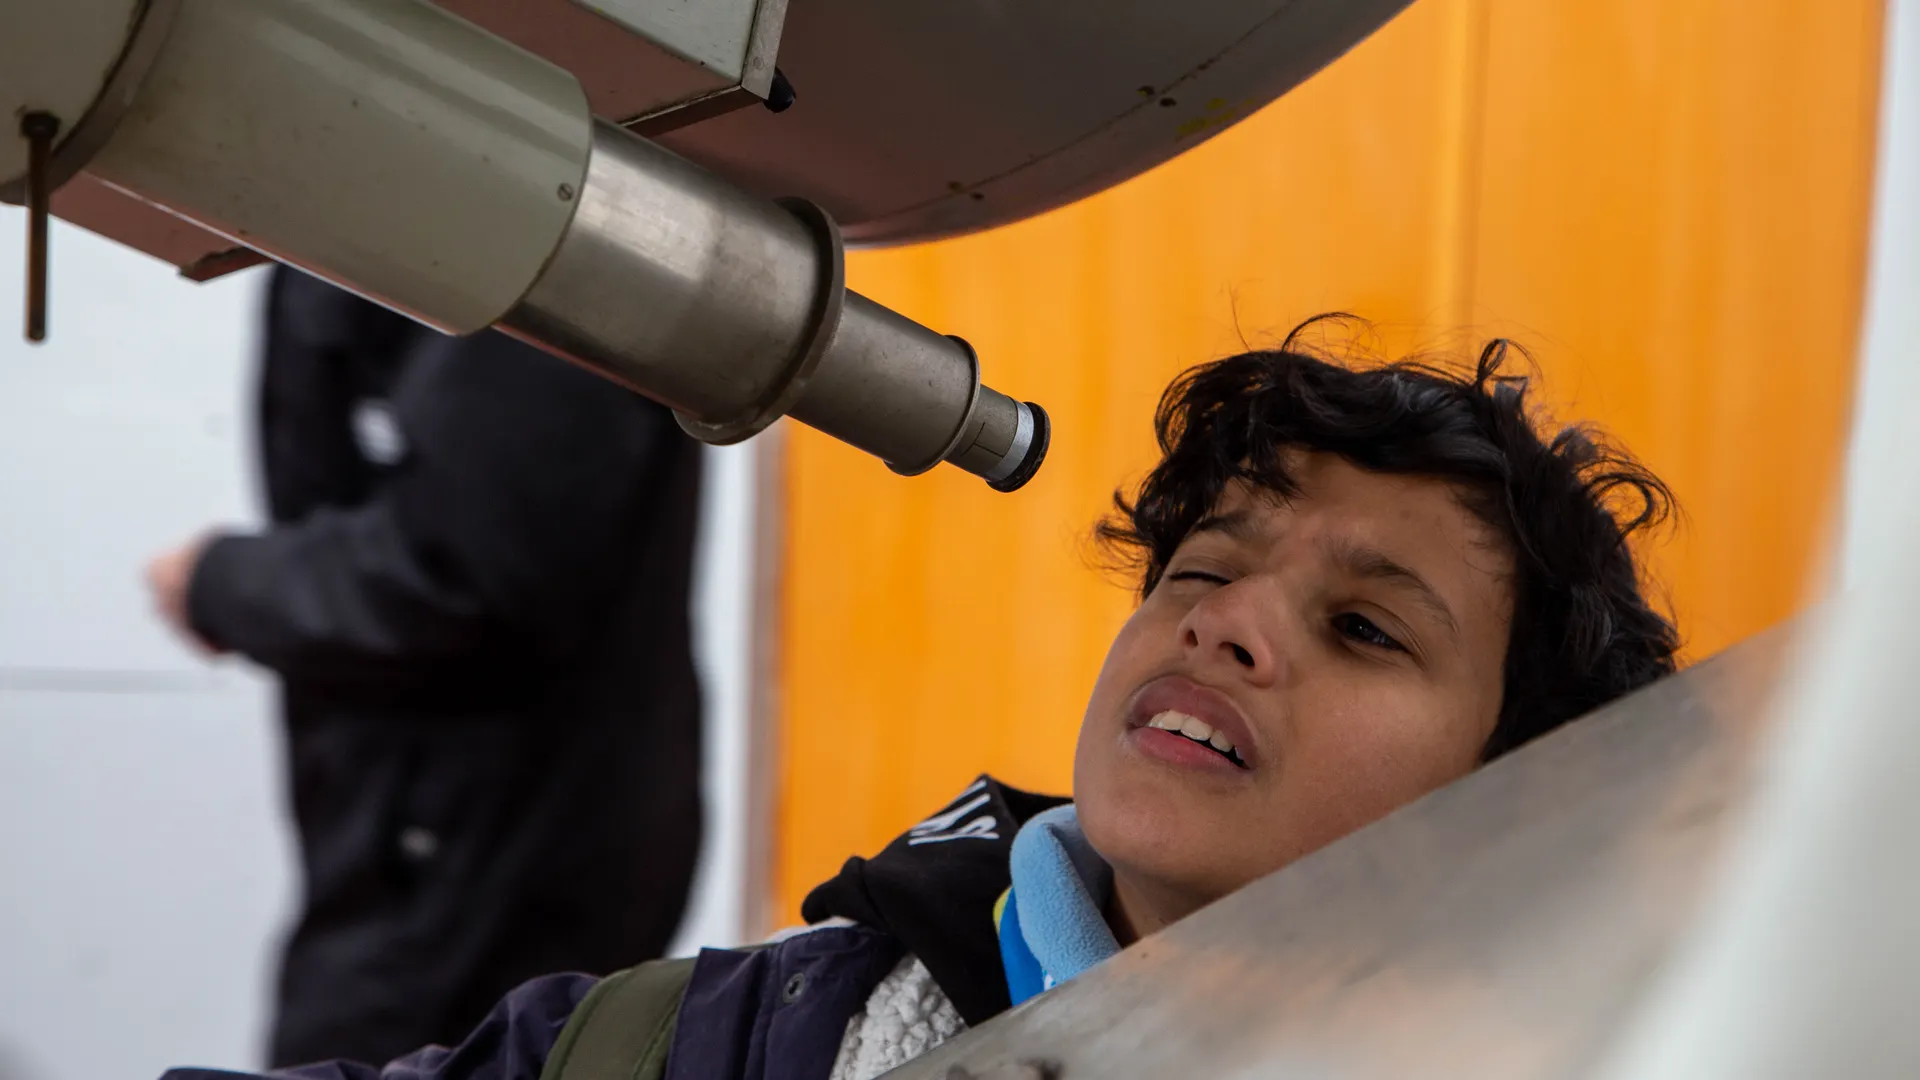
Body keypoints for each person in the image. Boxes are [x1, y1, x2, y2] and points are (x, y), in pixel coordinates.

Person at [158, 314, 1679, 1080]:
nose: (1225, 626)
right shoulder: (726, 1037)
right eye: (1202, 565)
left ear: (1518, 793)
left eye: (1360, 627)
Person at [144, 267, 707, 1068]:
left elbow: (472, 573)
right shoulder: (426, 232)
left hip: (483, 852)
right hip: (451, 834)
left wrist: (221, 585)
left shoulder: (502, 238)